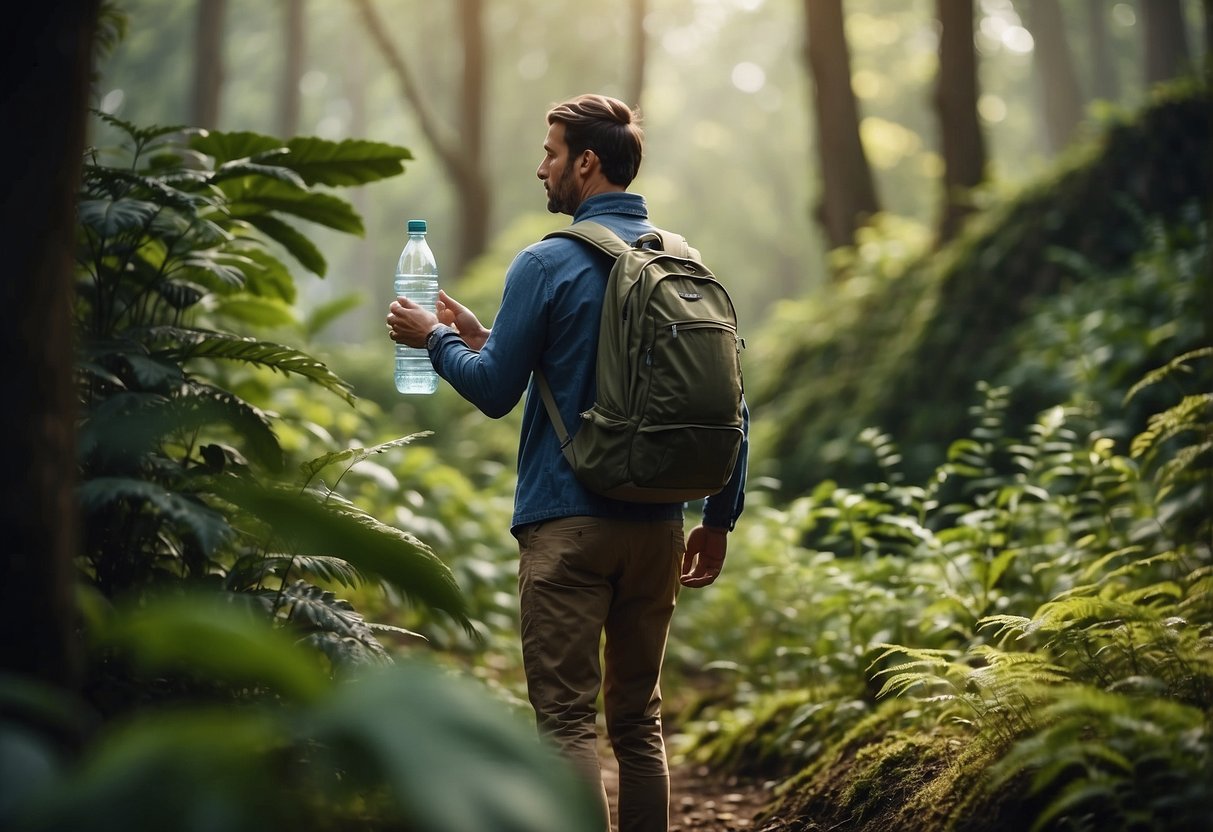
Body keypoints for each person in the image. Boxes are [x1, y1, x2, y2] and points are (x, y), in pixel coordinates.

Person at [386, 93, 748, 832]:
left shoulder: (546, 261)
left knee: (566, 727)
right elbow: (730, 404)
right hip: (658, 530)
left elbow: (493, 393)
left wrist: (431, 339)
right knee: (638, 726)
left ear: (586, 163)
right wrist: (718, 520)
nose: (540, 167)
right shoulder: (682, 260)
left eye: (550, 153)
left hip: (566, 525)